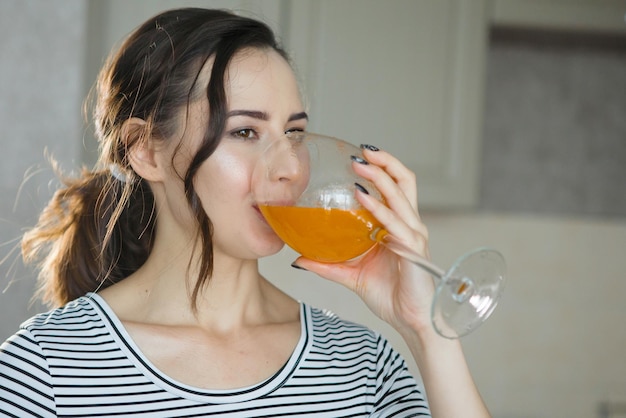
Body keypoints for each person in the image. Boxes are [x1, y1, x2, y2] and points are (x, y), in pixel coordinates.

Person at [0, 7, 490, 417]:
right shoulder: (46, 368)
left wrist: (427, 331)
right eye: (245, 133)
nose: (288, 169)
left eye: (293, 134)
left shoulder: (363, 366)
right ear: (144, 150)